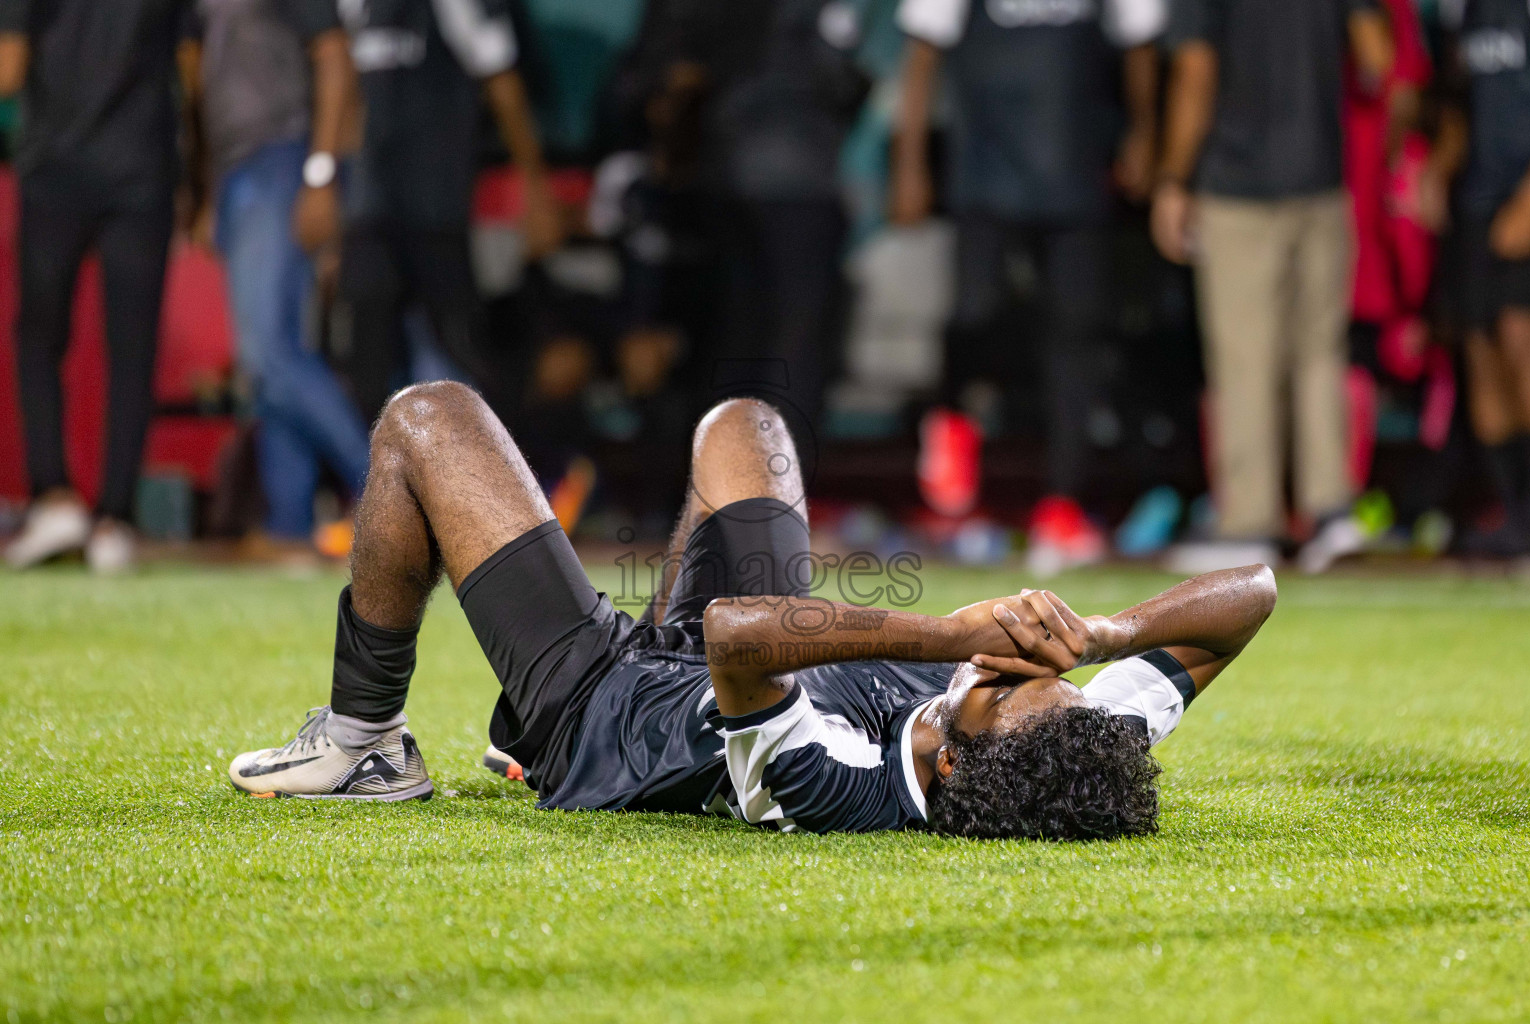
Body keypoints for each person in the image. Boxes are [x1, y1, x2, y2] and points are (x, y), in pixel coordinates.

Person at [227, 386, 1276, 840]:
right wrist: (1106, 637)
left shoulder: (832, 789)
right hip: (716, 663)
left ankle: (364, 739)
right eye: (1047, 675)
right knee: (746, 426)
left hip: (603, 712)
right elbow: (1253, 596)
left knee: (426, 420)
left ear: (956, 767)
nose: (1016, 667)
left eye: (1001, 690)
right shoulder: (1074, 740)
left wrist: (953, 634)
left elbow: (738, 635)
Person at [890, 0, 1166, 574]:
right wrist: (909, 161)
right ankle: (952, 416)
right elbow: (921, 56)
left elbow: (1140, 44)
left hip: (1076, 170)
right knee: (976, 312)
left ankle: (1062, 503)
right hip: (984, 171)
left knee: (1077, 334)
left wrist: (1143, 133)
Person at [1152, 0, 1395, 574]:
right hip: (1320, 178)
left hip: (1239, 184)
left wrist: (1173, 179)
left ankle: (1251, 523)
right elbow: (1378, 57)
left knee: (1245, 360)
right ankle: (1331, 511)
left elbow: (1195, 72)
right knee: (1319, 354)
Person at [0, 0, 189, 572]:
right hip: (142, 167)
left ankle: (54, 498)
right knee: (132, 349)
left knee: (39, 340)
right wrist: (197, 175)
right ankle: (115, 521)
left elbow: (8, 67)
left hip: (54, 167)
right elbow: (188, 63)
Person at [182, 0, 372, 551]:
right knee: (269, 357)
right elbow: (203, 82)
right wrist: (209, 187)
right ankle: (289, 522)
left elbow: (334, 56)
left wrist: (321, 175)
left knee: (268, 351)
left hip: (283, 156)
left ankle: (388, 492)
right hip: (237, 166)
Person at [336, 0, 562, 424]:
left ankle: (498, 465)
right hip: (368, 216)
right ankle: (374, 469)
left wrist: (535, 188)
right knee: (366, 374)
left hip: (437, 211)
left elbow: (501, 80)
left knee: (460, 365)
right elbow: (343, 91)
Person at [1425, 0, 1530, 556]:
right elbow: (1457, 101)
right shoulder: (1460, 10)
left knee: (1523, 346)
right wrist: (1437, 170)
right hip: (1476, 201)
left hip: (1525, 193)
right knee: (1480, 352)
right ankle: (1514, 512)